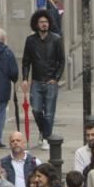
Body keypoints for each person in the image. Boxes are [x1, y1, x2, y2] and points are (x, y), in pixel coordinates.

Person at [21, 10, 64, 150]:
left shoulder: (56, 39)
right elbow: (26, 61)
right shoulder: (31, 40)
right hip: (37, 81)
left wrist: (56, 78)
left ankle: (46, 137)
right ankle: (44, 131)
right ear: (36, 24)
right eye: (41, 22)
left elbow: (61, 61)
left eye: (46, 22)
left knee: (50, 112)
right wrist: (25, 79)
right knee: (37, 110)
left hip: (51, 81)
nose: (44, 24)